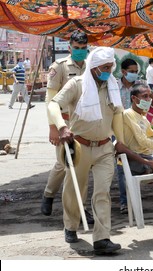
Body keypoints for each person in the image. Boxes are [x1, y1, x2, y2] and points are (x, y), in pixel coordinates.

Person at [47, 46, 125, 254]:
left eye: (111, 66)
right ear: (95, 66)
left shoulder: (112, 85)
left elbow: (117, 114)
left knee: (102, 192)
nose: (109, 70)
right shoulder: (77, 84)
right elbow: (53, 105)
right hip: (79, 146)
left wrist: (122, 142)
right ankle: (70, 226)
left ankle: (102, 239)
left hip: (105, 147)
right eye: (105, 67)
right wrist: (61, 127)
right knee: (74, 190)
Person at [40, 30, 94, 224]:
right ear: (70, 47)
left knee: (81, 166)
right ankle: (49, 194)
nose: (80, 51)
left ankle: (81, 209)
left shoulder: (91, 65)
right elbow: (50, 98)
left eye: (83, 48)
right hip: (64, 122)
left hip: (85, 123)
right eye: (76, 48)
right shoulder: (60, 67)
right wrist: (53, 127)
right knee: (65, 163)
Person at [116, 58, 153, 214]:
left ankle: (137, 191)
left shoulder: (140, 86)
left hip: (138, 125)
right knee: (123, 166)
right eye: (132, 72)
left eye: (136, 71)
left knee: (142, 155)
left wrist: (148, 91)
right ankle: (125, 202)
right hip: (121, 129)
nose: (135, 74)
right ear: (123, 72)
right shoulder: (114, 86)